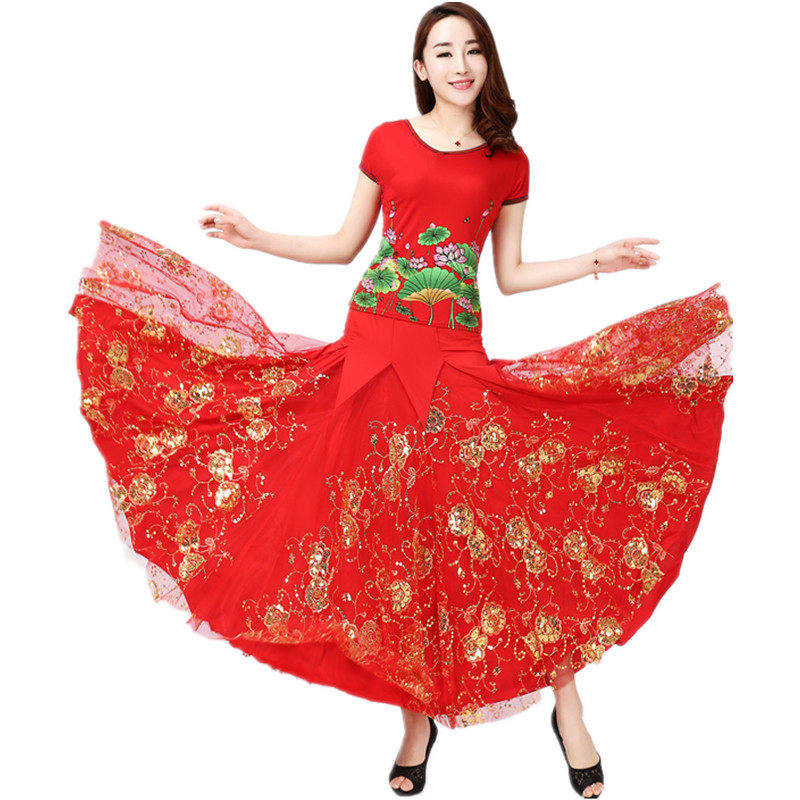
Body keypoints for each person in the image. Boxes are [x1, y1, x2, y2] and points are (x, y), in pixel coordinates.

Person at [68, 3, 733, 798]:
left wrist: (597, 260)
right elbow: (344, 245)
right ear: (421, 67)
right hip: (372, 354)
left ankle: (569, 705)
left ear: (487, 62)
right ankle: (416, 722)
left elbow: (510, 275)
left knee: (504, 527)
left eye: (471, 50)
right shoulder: (387, 140)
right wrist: (256, 236)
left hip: (454, 359)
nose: (459, 64)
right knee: (393, 539)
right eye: (442, 52)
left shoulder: (508, 161)